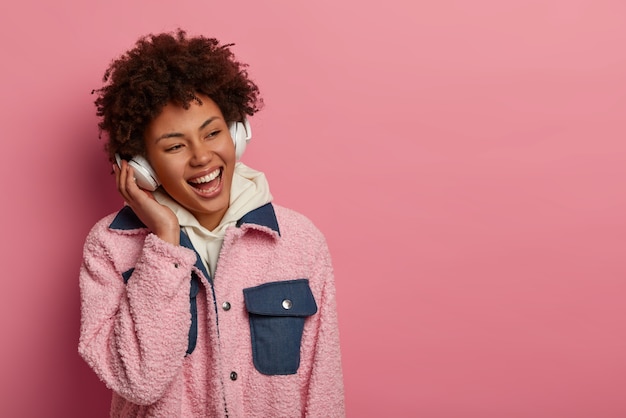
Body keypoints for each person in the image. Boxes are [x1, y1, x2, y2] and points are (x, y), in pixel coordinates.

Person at [78, 29, 345, 417]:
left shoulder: (300, 242)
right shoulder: (109, 248)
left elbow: (324, 391)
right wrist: (165, 243)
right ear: (142, 165)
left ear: (237, 134)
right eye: (174, 146)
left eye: (213, 133)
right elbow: (139, 380)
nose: (202, 157)